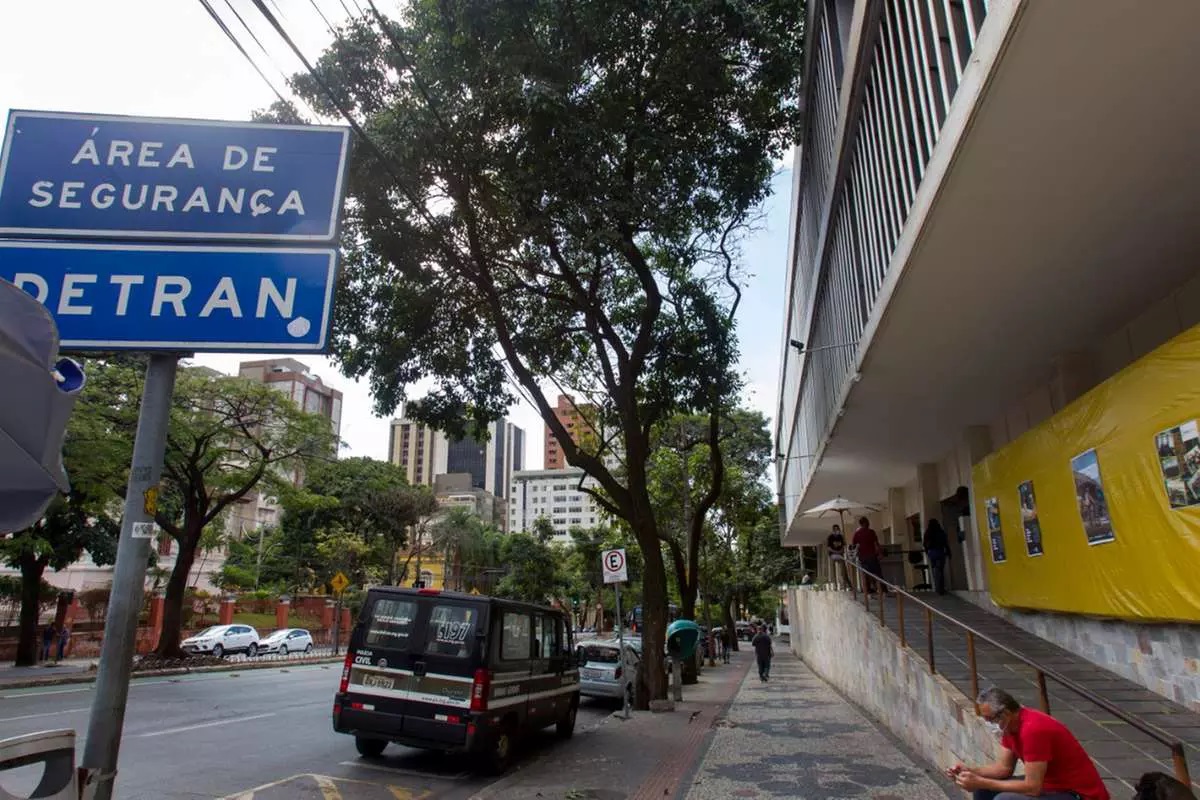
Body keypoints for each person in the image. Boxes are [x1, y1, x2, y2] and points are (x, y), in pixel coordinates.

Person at [947, 687, 1110, 800]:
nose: (989, 724)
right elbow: (1003, 768)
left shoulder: (1033, 730)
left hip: (1077, 794)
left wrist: (982, 781)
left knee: (1005, 799)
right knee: (982, 789)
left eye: (990, 719)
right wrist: (970, 771)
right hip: (1051, 786)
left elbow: (1033, 787)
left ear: (1006, 713)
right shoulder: (1010, 727)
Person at [851, 517, 884, 595]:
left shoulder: (857, 533)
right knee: (877, 572)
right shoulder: (871, 532)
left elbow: (853, 545)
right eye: (868, 522)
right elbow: (876, 543)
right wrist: (880, 553)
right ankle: (882, 589)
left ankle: (868, 590)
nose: (869, 524)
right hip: (871, 555)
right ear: (865, 523)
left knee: (866, 573)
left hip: (862, 557)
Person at [923, 519, 951, 595]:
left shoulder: (928, 532)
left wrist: (927, 552)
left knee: (935, 570)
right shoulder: (940, 532)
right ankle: (941, 588)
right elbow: (945, 542)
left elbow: (924, 544)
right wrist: (948, 552)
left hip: (932, 553)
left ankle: (937, 587)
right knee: (940, 571)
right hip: (940, 552)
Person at [827, 524, 848, 589]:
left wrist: (841, 551)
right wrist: (836, 552)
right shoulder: (830, 537)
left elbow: (843, 546)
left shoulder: (841, 537)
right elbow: (829, 548)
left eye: (837, 529)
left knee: (843, 570)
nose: (836, 531)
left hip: (840, 555)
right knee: (832, 570)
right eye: (835, 529)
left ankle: (844, 584)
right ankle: (835, 585)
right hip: (832, 555)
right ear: (833, 530)